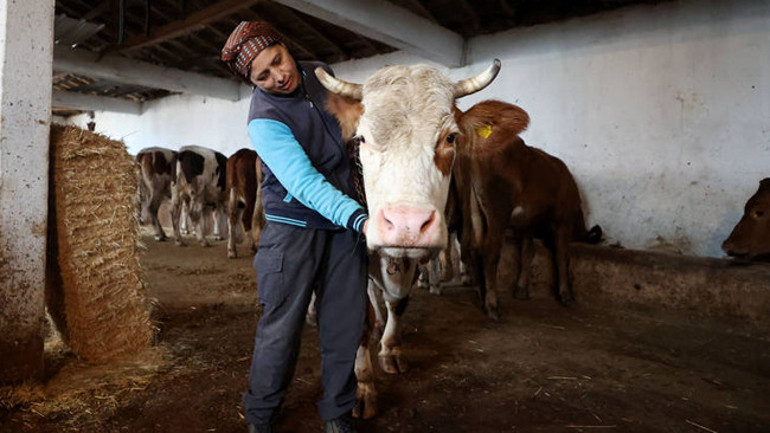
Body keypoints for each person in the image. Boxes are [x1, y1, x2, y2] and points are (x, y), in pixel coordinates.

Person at [221, 21, 369, 433]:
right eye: (262, 76)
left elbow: (356, 125)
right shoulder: (263, 118)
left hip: (345, 229)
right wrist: (359, 217)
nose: (278, 76)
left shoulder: (321, 75)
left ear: (286, 46)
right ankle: (261, 415)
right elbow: (302, 182)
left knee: (345, 322)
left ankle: (337, 414)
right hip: (294, 229)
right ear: (251, 83)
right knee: (281, 326)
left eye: (278, 61)